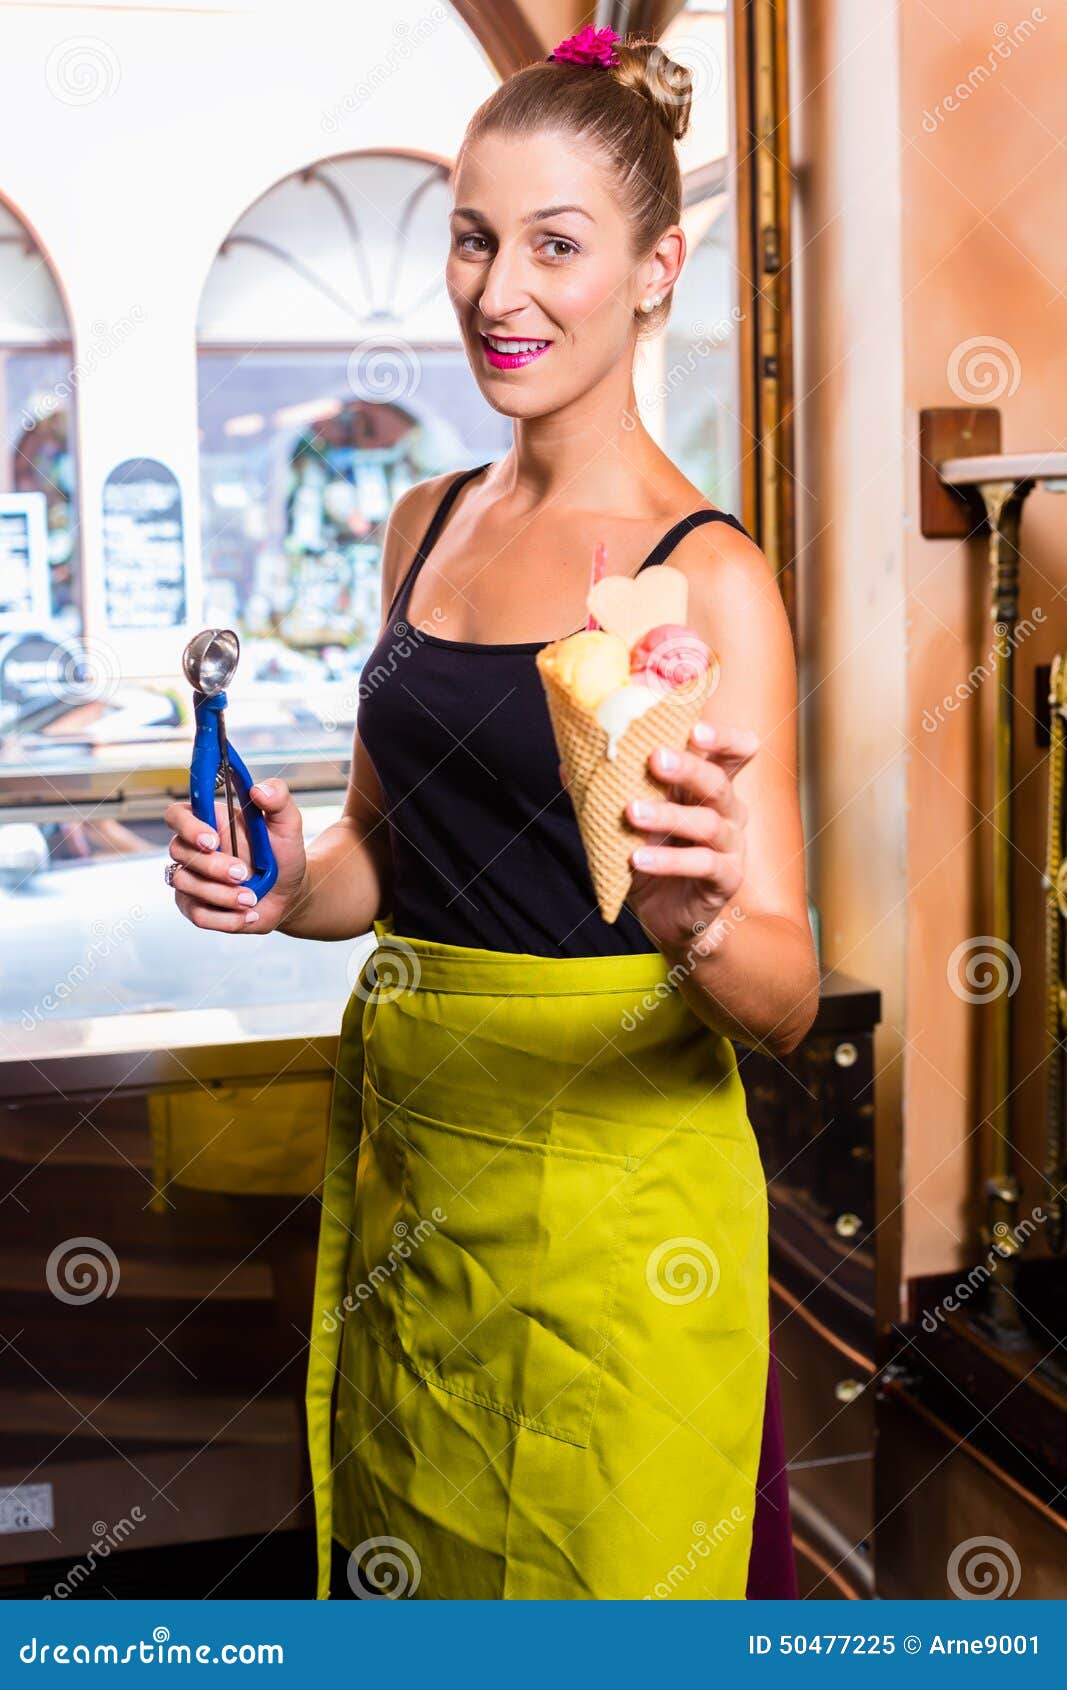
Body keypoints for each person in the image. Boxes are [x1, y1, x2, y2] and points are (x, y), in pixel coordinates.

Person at [166, 25, 818, 1600]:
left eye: (555, 246)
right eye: (472, 238)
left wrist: (703, 920)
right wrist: (280, 870)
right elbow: (381, 860)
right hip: (421, 1192)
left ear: (658, 268)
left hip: (617, 1214)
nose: (498, 291)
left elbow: (785, 992)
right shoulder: (425, 521)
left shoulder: (709, 574)